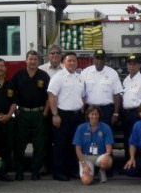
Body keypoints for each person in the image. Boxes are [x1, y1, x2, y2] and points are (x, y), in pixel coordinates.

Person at [11, 50, 50, 181]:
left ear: (38, 61)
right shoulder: (18, 76)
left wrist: (45, 112)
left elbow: (49, 97)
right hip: (22, 114)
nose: (32, 61)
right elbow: (12, 95)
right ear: (26, 60)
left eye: (35, 59)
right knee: (19, 144)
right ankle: (19, 171)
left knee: (39, 145)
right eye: (30, 59)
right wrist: (15, 111)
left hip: (39, 114)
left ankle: (35, 171)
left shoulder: (44, 76)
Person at [47, 51, 85, 181]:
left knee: (74, 144)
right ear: (63, 62)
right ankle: (58, 172)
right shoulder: (58, 77)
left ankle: (72, 170)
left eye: (74, 61)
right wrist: (54, 114)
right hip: (62, 114)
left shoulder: (79, 77)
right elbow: (52, 96)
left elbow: (83, 95)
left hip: (77, 115)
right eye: (69, 60)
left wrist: (82, 108)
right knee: (60, 144)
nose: (72, 63)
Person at [121, 54, 141, 160]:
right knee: (128, 140)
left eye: (134, 64)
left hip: (137, 114)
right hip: (126, 114)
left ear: (139, 66)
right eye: (129, 64)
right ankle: (129, 165)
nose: (131, 66)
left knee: (140, 140)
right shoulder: (126, 80)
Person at [37, 45, 63, 176]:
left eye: (58, 53)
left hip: (61, 110)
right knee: (45, 139)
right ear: (48, 56)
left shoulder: (66, 69)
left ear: (61, 55)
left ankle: (58, 166)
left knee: (59, 140)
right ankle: (45, 165)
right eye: (52, 53)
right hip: (45, 110)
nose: (55, 55)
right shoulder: (41, 70)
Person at [72, 106, 114, 185]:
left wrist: (107, 155)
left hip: (99, 156)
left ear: (99, 115)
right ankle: (90, 172)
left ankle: (102, 171)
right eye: (92, 114)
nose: (94, 116)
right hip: (86, 157)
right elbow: (77, 149)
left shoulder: (106, 128)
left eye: (96, 114)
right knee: (86, 181)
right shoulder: (81, 128)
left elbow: (109, 147)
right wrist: (84, 164)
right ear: (88, 115)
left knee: (108, 161)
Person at [81, 49, 123, 127]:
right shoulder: (85, 72)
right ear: (93, 59)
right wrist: (82, 109)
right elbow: (81, 93)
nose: (99, 61)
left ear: (105, 60)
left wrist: (116, 113)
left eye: (102, 59)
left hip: (106, 111)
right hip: (89, 109)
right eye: (97, 58)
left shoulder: (113, 73)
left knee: (105, 133)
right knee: (89, 133)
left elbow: (117, 94)